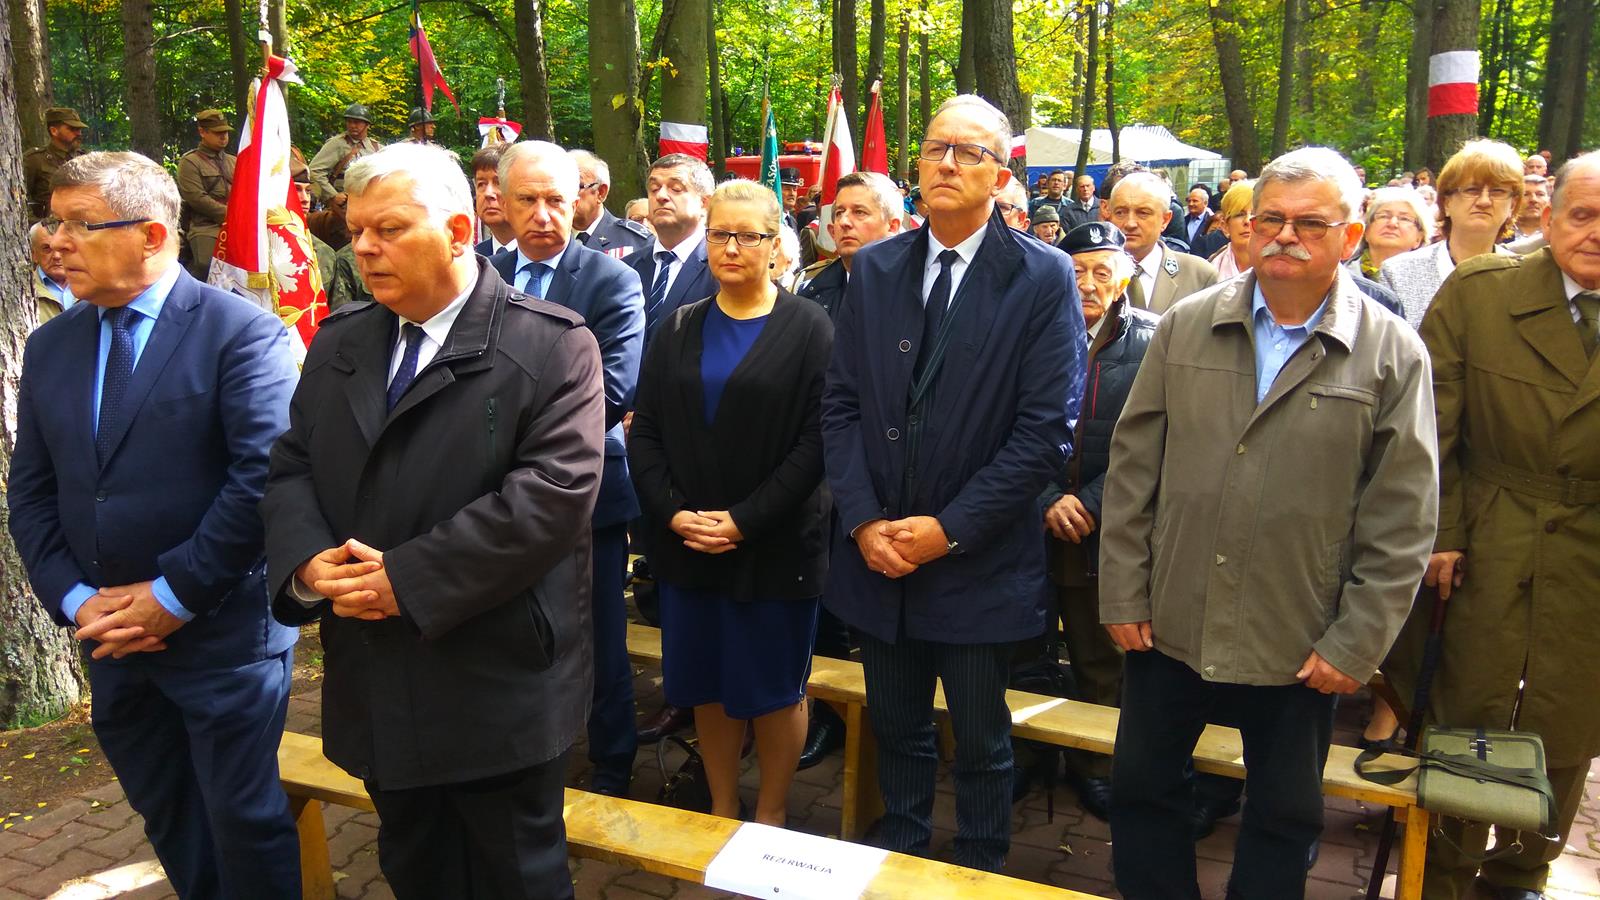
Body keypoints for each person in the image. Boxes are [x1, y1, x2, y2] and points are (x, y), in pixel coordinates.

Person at [260, 142, 605, 899]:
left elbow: (552, 494)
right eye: (357, 230)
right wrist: (309, 561)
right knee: (415, 866)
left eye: (388, 229)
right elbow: (292, 466)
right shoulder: (342, 339)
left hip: (494, 673)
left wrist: (408, 581)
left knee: (516, 877)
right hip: (377, 671)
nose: (364, 247)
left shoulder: (552, 344)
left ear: (457, 231)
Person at [1098, 146, 1438, 900]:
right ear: (1246, 227)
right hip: (1170, 617)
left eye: (1311, 223)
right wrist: (1122, 591)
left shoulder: (1391, 352)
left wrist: (1356, 641)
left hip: (1300, 634)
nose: (1286, 235)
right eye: (1271, 219)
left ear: (1350, 237)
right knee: (1143, 788)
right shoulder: (1187, 327)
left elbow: (1404, 515)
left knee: (1285, 813)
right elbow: (1133, 470)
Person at [9, 150, 302, 900]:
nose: (56, 242)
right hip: (111, 640)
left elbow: (259, 481)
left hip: (221, 639)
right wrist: (78, 601)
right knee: (169, 814)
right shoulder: (51, 345)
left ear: (151, 235)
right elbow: (33, 494)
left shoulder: (241, 334)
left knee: (243, 822)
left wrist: (172, 597)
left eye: (80, 224)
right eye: (52, 222)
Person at [821, 94, 1085, 872]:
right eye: (936, 148)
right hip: (880, 555)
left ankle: (978, 863)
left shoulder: (1041, 276)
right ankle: (901, 850)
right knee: (896, 726)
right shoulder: (876, 269)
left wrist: (950, 529)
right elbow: (841, 406)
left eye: (970, 152)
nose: (946, 163)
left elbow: (1045, 432)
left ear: (1001, 175)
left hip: (977, 559)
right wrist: (862, 521)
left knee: (979, 737)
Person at [1386, 151, 1600, 900]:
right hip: (1488, 530)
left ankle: (1521, 873)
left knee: (1569, 712)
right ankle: (1443, 870)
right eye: (1583, 215)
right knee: (1469, 704)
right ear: (1549, 217)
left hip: (1591, 547)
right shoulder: (1482, 291)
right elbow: (1431, 422)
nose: (1596, 234)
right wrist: (1442, 530)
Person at [629, 178, 833, 826]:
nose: (732, 247)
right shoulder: (677, 326)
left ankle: (770, 814)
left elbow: (817, 443)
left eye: (748, 235)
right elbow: (646, 430)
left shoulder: (810, 328)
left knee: (773, 690)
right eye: (720, 233)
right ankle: (721, 806)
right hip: (689, 547)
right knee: (707, 686)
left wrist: (745, 521)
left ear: (775, 244)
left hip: (774, 550)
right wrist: (671, 512)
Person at [489, 141, 646, 797]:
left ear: (579, 201)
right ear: (501, 201)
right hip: (493, 496)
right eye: (527, 199)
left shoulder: (611, 281)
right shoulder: (481, 274)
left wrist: (498, 428)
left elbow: (613, 390)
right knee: (507, 630)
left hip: (586, 496)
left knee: (598, 636)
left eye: (556, 199)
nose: (543, 213)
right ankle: (517, 749)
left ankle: (612, 762)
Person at [1041, 221, 1159, 822]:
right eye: (1077, 270)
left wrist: (1090, 500)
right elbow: (998, 425)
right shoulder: (1031, 329)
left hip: (1105, 530)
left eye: (1101, 271)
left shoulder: (1154, 341)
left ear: (1125, 278)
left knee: (1100, 660)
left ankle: (1095, 766)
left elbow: (1159, 441)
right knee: (1024, 653)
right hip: (1032, 524)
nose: (1087, 283)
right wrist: (1045, 497)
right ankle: (1027, 757)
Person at [1379, 139, 1522, 329]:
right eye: (1472, 190)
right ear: (1446, 202)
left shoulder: (1525, 277)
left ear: (1512, 205)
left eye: (1497, 191)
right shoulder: (1398, 273)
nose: (1484, 201)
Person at [630, 154, 719, 345]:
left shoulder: (721, 267)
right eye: (654, 189)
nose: (661, 196)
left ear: (705, 203)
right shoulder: (627, 268)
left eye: (676, 188)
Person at [1107, 171, 1221, 313]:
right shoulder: (1087, 275)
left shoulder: (1199, 276)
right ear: (1109, 216)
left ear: (1165, 220)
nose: (1130, 223)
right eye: (1120, 212)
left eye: (1143, 213)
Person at [798, 171, 906, 320]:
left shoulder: (922, 288)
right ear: (832, 232)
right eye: (839, 213)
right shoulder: (808, 288)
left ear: (892, 227)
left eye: (859, 212)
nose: (844, 222)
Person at [176, 109, 236, 278]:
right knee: (207, 264)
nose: (223, 136)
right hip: (206, 225)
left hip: (238, 222)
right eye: (217, 133)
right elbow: (196, 198)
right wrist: (230, 214)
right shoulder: (190, 162)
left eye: (225, 132)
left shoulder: (234, 161)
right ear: (202, 132)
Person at [570, 149, 653, 258]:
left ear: (601, 192)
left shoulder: (635, 241)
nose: (564, 194)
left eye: (576, 186)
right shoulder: (549, 238)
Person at [23, 107, 88, 222]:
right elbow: (20, 196)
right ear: (54, 131)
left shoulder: (85, 159)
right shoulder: (35, 159)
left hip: (83, 226)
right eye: (72, 129)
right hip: (50, 228)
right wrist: (37, 224)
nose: (78, 133)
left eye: (79, 129)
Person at [1354, 186, 1432, 280]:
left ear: (1419, 238)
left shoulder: (1429, 281)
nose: (1392, 223)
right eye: (1384, 216)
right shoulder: (1342, 274)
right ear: (1366, 230)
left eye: (1404, 219)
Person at [309, 103, 381, 203]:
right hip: (344, 202)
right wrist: (333, 195)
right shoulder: (337, 143)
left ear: (367, 125)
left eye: (356, 122)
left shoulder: (376, 147)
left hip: (372, 200)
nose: (352, 125)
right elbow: (314, 171)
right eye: (349, 122)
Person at [468, 143, 516, 257]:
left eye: (498, 182)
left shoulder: (546, 254)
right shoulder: (471, 259)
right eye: (481, 184)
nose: (488, 193)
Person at [29, 221, 75, 324]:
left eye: (63, 248)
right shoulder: (26, 290)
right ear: (34, 255)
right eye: (47, 248)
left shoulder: (93, 287)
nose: (56, 256)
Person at [1207, 180, 1254, 278]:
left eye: (1254, 214)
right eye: (1239, 214)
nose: (1247, 221)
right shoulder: (1208, 273)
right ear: (1225, 226)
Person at [1508, 172, 1550, 248]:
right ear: (1514, 200)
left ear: (1549, 200)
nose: (1533, 200)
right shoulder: (1500, 232)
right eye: (1526, 194)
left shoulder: (1556, 233)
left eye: (1540, 194)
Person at [1181, 185, 1214, 251]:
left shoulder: (1211, 221)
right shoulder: (1183, 220)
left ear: (1205, 203)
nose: (1191, 204)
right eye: (1189, 201)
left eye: (1195, 201)